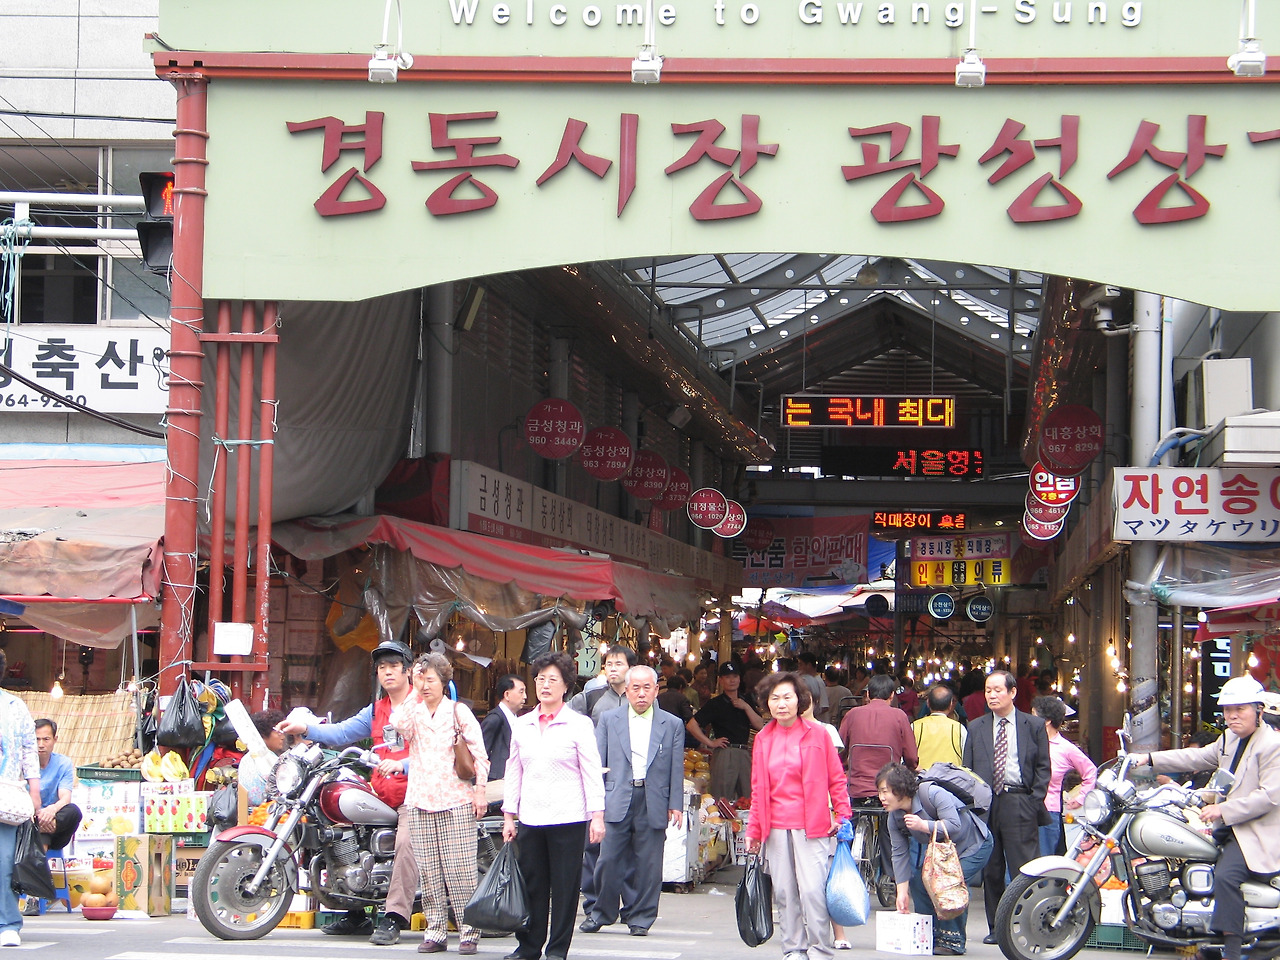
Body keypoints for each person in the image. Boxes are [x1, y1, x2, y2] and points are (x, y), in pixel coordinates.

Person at [277, 639, 418, 945]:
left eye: (394, 666)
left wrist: (403, 764)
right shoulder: (376, 711)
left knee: (406, 844)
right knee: (341, 830)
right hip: (382, 791)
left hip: (415, 795)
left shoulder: (422, 706)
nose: (387, 672)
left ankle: (394, 917)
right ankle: (356, 912)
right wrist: (305, 729)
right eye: (382, 667)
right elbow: (341, 732)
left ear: (408, 671)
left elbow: (436, 750)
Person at [1130, 674, 1280, 960]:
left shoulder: (1272, 745)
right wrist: (1149, 759)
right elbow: (1195, 758)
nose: (1232, 716)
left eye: (1240, 709)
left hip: (1253, 832)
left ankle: (1230, 951)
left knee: (1226, 877)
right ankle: (1204, 940)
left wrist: (1223, 809)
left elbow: (1269, 796)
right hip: (1230, 828)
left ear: (1258, 710)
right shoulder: (1230, 739)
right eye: (1228, 710)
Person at [502, 652, 605, 960]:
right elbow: (513, 771)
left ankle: (557, 949)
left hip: (568, 817)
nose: (545, 686)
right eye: (540, 679)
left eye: (552, 680)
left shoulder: (578, 724)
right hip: (531, 817)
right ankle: (528, 946)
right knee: (532, 884)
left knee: (564, 887)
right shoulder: (522, 724)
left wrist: (597, 816)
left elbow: (591, 772)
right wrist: (509, 815)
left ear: (566, 685)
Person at [745, 672, 851, 960]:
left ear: (799, 700)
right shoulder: (763, 739)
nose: (781, 704)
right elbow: (757, 788)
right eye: (775, 698)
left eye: (787, 697)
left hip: (812, 825)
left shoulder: (819, 734)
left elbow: (836, 778)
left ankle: (820, 949)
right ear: (766, 703)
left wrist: (843, 814)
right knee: (784, 892)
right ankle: (793, 949)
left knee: (813, 891)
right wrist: (753, 830)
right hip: (776, 827)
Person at [391, 652, 488, 956]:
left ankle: (469, 930)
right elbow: (397, 723)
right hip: (420, 799)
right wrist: (413, 689)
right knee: (429, 872)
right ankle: (435, 930)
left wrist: (480, 791)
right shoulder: (415, 711)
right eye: (421, 679)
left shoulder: (458, 712)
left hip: (455, 799)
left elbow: (480, 755)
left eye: (430, 679)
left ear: (443, 682)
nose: (425, 685)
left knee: (461, 871)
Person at [581, 665, 684, 937]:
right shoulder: (609, 719)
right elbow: (597, 763)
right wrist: (595, 804)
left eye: (647, 688)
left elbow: (676, 766)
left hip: (653, 798)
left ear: (656, 691)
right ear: (626, 691)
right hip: (616, 796)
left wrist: (675, 804)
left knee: (649, 864)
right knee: (607, 860)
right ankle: (601, 912)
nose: (641, 694)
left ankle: (641, 917)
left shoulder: (672, 724)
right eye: (635, 688)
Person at [962, 669, 1051, 945]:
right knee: (992, 869)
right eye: (988, 690)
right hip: (987, 804)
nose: (992, 695)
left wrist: (1034, 800)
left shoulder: (1032, 725)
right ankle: (997, 928)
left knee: (1025, 868)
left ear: (1012, 692)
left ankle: (1028, 925)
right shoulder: (976, 727)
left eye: (997, 690)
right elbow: (967, 769)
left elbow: (1043, 767)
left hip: (1019, 800)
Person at [877, 762, 993, 956]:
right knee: (919, 882)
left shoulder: (932, 794)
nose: (881, 798)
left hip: (974, 845)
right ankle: (928, 935)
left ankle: (953, 940)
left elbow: (954, 825)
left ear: (900, 789)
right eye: (879, 792)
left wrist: (923, 825)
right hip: (943, 853)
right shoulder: (894, 817)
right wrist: (901, 892)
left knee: (948, 883)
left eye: (885, 792)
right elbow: (899, 853)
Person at [567, 644, 635, 918]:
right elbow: (565, 720)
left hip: (628, 780)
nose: (612, 669)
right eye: (609, 664)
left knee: (627, 844)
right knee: (593, 843)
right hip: (594, 779)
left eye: (619, 664)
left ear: (630, 668)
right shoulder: (590, 697)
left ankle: (629, 905)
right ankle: (593, 903)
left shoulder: (639, 698)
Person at [0, 650, 41, 946]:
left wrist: (34, 790)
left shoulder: (15, 706)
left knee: (4, 862)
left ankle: (7, 923)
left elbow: (29, 750)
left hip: (6, 795)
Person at [686, 661, 765, 801]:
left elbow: (760, 725)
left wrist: (746, 707)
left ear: (740, 679)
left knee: (748, 798)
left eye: (735, 676)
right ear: (721, 680)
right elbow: (691, 725)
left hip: (744, 753)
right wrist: (710, 742)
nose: (732, 680)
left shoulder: (746, 700)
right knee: (722, 798)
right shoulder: (715, 703)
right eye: (727, 677)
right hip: (725, 752)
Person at [1031, 696, 1096, 857]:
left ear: (1047, 721)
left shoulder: (1065, 748)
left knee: (1044, 861)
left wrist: (1081, 797)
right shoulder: (1027, 742)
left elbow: (1090, 771)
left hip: (1048, 812)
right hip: (1023, 809)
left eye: (1033, 715)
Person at [838, 673, 918, 800]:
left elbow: (839, 751)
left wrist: (846, 767)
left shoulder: (852, 714)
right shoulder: (899, 716)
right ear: (892, 695)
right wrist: (910, 767)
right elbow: (911, 757)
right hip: (890, 788)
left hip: (856, 788)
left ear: (868, 694)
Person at [32, 719, 82, 852]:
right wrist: (36, 817)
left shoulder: (63, 763)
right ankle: (41, 831)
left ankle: (41, 828)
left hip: (54, 825)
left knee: (73, 812)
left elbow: (65, 797)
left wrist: (52, 810)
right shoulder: (23, 763)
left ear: (55, 739)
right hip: (29, 823)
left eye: (46, 739)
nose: (41, 745)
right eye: (37, 739)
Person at [480, 674, 526, 805]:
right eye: (521, 691)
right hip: (495, 782)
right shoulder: (494, 719)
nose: (525, 696)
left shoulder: (516, 719)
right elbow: (481, 752)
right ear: (507, 695)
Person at [912, 686, 968, 770]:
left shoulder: (915, 726)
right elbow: (966, 759)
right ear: (950, 705)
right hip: (951, 776)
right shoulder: (959, 729)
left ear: (928, 703)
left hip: (922, 776)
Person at [656, 673, 697, 748]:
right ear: (681, 687)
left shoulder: (659, 697)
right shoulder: (682, 698)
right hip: (676, 733)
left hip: (659, 732)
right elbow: (688, 717)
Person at [797, 653, 829, 722]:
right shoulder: (804, 680)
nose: (799, 667)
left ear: (808, 665)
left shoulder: (818, 682)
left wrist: (809, 713)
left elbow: (824, 706)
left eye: (801, 664)